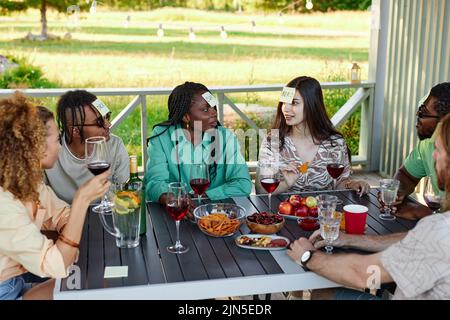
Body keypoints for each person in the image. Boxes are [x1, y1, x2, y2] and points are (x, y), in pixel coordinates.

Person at [287, 113, 450, 300]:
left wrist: (308, 256)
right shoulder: (436, 231)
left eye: (438, 149)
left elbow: (363, 274)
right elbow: (413, 239)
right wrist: (346, 239)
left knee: (322, 294)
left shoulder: (439, 231)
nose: (433, 156)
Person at [0, 93, 110, 300]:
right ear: (36, 147)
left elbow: (62, 214)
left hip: (15, 283)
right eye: (58, 139)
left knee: (89, 285)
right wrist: (82, 200)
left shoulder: (28, 184)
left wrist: (69, 246)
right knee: (87, 287)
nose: (61, 146)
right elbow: (55, 264)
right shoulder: (3, 203)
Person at [145, 82, 252, 209]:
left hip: (217, 213)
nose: (214, 113)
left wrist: (200, 196)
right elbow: (154, 183)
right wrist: (172, 199)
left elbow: (243, 184)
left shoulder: (226, 137)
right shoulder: (161, 137)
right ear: (186, 116)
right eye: (205, 109)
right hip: (174, 212)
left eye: (214, 107)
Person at [256, 76, 370, 195]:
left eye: (294, 102)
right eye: (284, 102)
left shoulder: (335, 143)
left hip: (324, 210)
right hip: (280, 211)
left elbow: (340, 182)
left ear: (312, 105)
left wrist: (353, 184)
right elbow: (261, 190)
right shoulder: (273, 141)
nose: (286, 108)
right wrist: (286, 184)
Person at [44, 90, 129, 203]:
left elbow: (123, 194)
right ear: (75, 131)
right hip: (62, 218)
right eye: (99, 122)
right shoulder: (49, 151)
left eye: (107, 117)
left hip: (106, 215)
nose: (108, 124)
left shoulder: (115, 146)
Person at [382, 82, 450, 219]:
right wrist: (398, 193)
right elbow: (406, 175)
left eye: (423, 112)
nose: (417, 115)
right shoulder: (426, 144)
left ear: (445, 120)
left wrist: (423, 213)